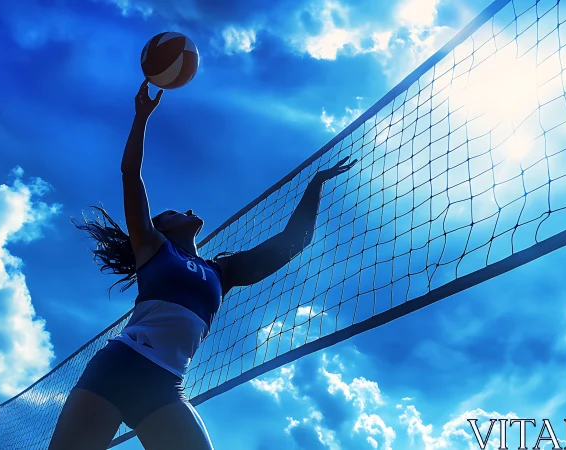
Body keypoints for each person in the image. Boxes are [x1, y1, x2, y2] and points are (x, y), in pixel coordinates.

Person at [48, 80, 357, 450]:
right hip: (120, 365)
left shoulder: (221, 272)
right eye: (176, 211)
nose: (189, 210)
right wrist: (141, 117)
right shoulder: (151, 247)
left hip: (164, 385)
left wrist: (316, 184)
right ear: (160, 226)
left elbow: (292, 242)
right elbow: (131, 174)